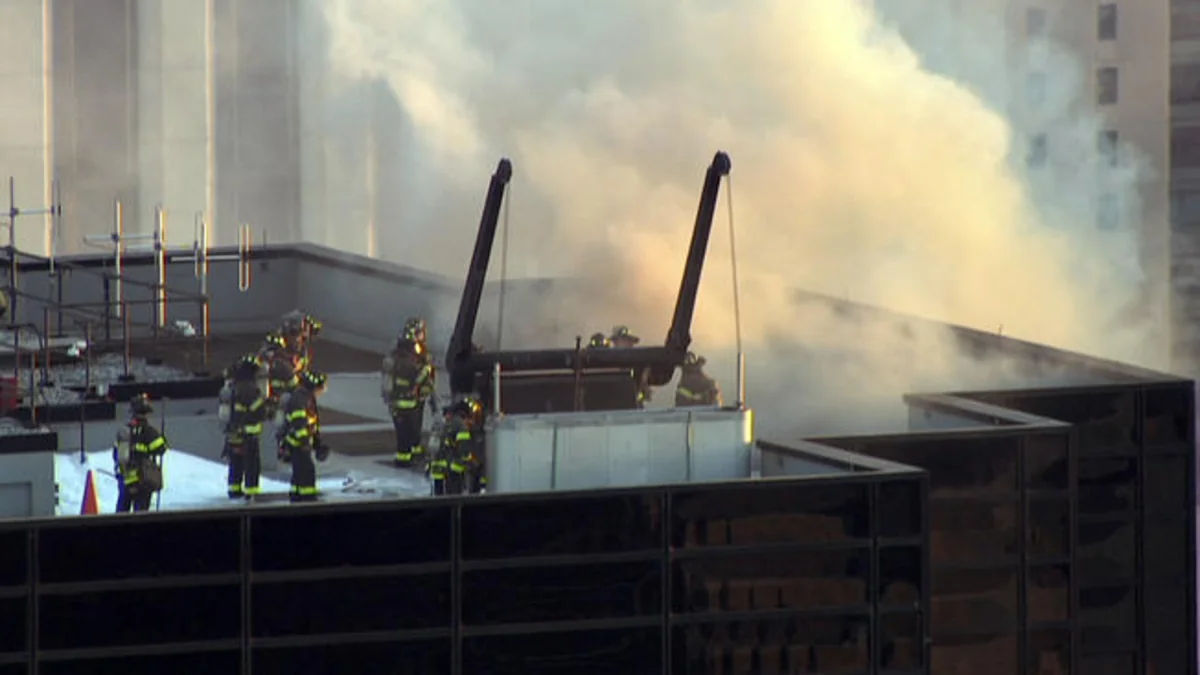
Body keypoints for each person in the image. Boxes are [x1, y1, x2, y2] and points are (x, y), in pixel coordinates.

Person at [382, 318, 437, 467]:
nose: (424, 335)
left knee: (409, 428)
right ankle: (405, 457)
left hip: (405, 398)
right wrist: (426, 371)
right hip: (410, 398)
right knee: (408, 428)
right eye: (421, 332)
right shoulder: (412, 353)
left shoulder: (399, 351)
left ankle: (412, 451)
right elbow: (420, 373)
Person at [112, 393, 168, 513]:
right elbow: (161, 449)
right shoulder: (150, 432)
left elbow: (117, 455)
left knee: (121, 513)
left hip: (126, 479)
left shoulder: (124, 431)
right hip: (143, 479)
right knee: (141, 514)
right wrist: (162, 439)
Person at [223, 354, 269, 499]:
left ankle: (234, 489)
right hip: (248, 433)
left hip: (233, 432)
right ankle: (251, 492)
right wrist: (266, 406)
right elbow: (259, 411)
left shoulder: (233, 385)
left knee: (236, 462)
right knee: (251, 464)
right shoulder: (249, 387)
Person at [281, 370, 330, 503]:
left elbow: (311, 423)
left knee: (299, 472)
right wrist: (304, 443)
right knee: (307, 471)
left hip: (300, 443)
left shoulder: (306, 397)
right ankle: (308, 498)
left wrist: (317, 443)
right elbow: (299, 424)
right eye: (322, 387)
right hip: (297, 444)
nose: (323, 390)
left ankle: (296, 496)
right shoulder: (301, 399)